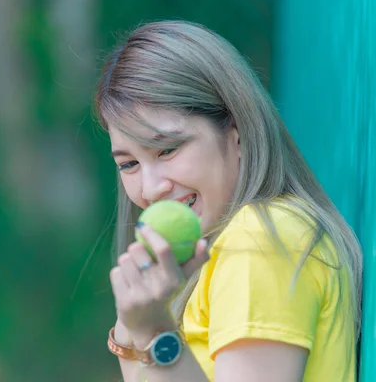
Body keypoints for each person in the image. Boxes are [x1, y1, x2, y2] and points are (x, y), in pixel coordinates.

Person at [94, 20, 362, 382]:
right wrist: (133, 326)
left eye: (168, 149)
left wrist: (155, 332)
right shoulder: (222, 249)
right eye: (129, 164)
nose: (151, 188)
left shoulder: (260, 241)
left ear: (236, 132)